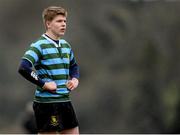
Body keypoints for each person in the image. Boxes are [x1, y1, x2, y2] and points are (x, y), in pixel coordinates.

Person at [18, 6, 80, 134]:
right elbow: (24, 67)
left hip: (65, 101)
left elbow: (74, 66)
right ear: (48, 24)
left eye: (65, 21)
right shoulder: (39, 45)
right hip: (47, 104)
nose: (63, 24)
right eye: (59, 21)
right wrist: (44, 84)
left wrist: (74, 79)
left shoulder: (66, 45)